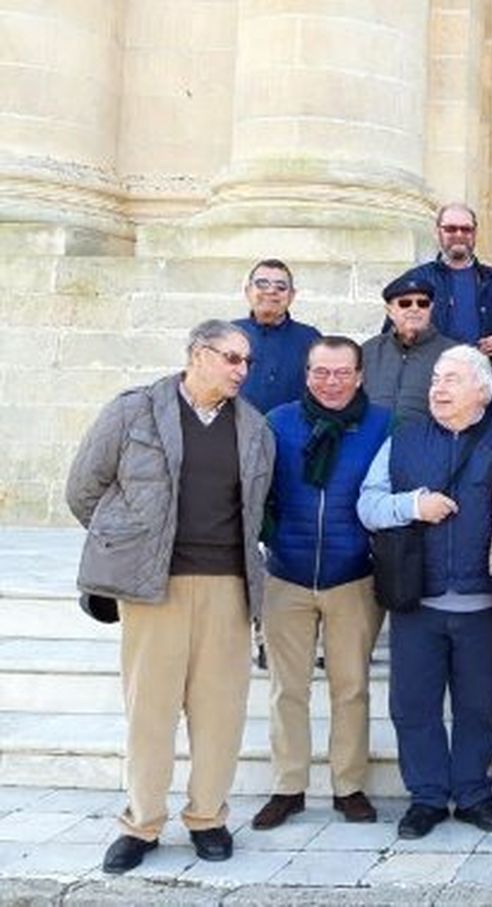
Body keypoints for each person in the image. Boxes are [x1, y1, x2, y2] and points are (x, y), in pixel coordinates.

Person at [65, 320, 274, 874]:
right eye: (231, 358)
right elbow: (84, 488)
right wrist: (131, 546)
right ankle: (142, 824)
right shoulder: (133, 410)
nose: (242, 370)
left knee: (220, 714)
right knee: (150, 713)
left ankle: (208, 818)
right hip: (153, 588)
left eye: (246, 361)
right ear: (197, 355)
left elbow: (256, 511)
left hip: (229, 587)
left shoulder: (254, 429)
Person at [356, 346, 492, 840]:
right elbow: (368, 504)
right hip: (417, 601)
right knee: (414, 705)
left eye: (451, 380)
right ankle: (426, 797)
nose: (438, 389)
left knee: (477, 707)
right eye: (435, 381)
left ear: (483, 392)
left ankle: (472, 792)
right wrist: (412, 505)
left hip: (483, 603)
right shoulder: (403, 440)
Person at [251, 337, 391, 832]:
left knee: (350, 687)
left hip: (353, 575)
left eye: (341, 372)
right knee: (286, 688)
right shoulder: (277, 423)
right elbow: (255, 491)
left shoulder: (383, 424)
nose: (330, 382)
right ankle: (288, 786)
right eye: (320, 372)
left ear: (358, 376)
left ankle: (348, 786)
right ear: (307, 373)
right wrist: (268, 539)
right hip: (286, 575)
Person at [395, 202, 492, 418]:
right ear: (438, 231)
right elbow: (391, 339)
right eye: (450, 229)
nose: (459, 235)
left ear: (474, 233)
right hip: (431, 400)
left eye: (466, 229)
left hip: (490, 402)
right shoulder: (415, 281)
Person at [362, 275, 453, 427]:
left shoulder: (453, 354)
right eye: (405, 303)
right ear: (390, 311)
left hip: (426, 444)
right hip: (373, 443)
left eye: (422, 303)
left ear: (431, 309)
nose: (415, 308)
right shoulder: (369, 350)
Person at [234, 258, 321, 414]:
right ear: (248, 291)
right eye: (262, 284)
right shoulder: (229, 334)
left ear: (292, 295)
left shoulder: (311, 339)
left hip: (291, 433)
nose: (271, 291)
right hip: (236, 431)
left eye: (280, 287)